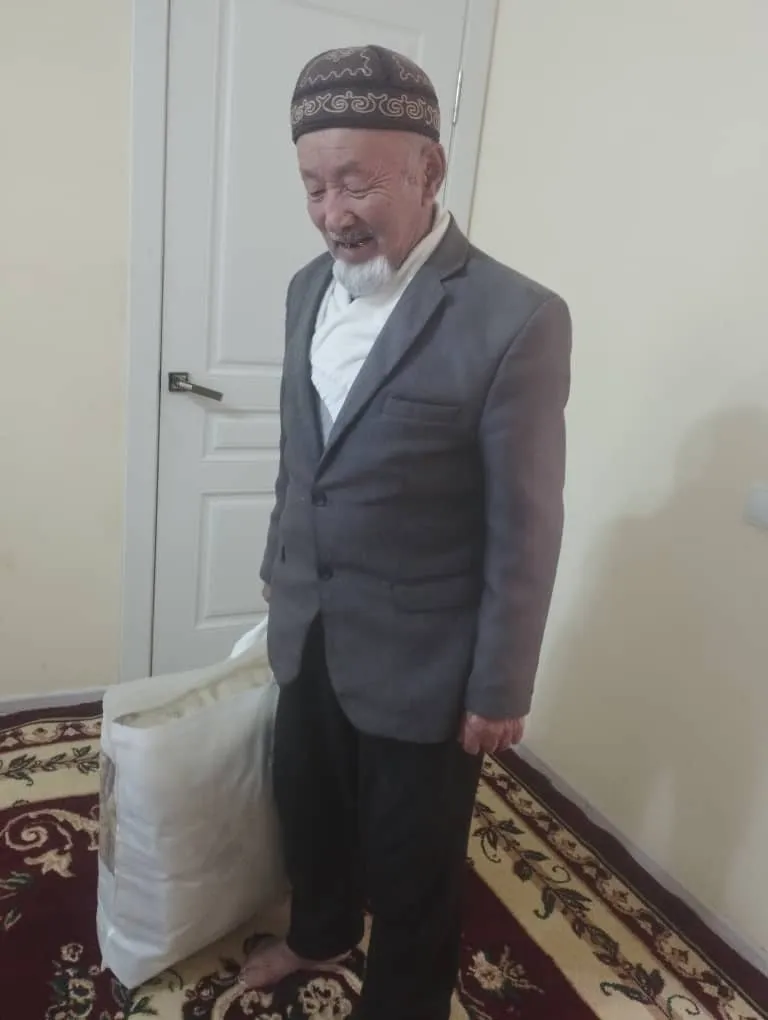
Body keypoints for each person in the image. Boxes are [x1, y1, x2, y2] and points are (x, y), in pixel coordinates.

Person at [240, 45, 571, 1020]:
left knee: (413, 860)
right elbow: (303, 455)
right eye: (313, 186)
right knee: (309, 809)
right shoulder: (305, 288)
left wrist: (501, 684)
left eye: (357, 183)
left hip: (427, 657)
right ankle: (320, 931)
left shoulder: (516, 317)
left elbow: (527, 521)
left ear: (429, 170)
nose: (331, 213)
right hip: (311, 623)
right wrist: (279, 567)